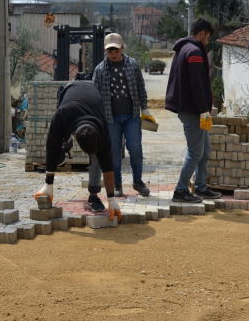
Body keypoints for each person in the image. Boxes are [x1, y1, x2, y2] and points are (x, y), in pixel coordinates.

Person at [35, 80, 121, 218]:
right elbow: (51, 147)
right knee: (58, 144)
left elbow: (107, 166)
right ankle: (65, 139)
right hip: (69, 91)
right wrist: (48, 184)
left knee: (97, 158)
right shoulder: (62, 114)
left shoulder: (103, 129)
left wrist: (111, 199)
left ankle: (93, 195)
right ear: (75, 135)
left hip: (93, 92)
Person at [165, 18, 222, 203]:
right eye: (207, 38)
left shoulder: (185, 48)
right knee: (195, 152)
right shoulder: (195, 52)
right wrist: (203, 109)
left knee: (204, 150)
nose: (207, 42)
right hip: (193, 111)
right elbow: (197, 84)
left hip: (193, 109)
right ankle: (180, 190)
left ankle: (201, 186)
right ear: (203, 34)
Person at [92, 32, 154, 197]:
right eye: (110, 51)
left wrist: (145, 107)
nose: (113, 54)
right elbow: (95, 95)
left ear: (122, 48)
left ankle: (138, 182)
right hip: (110, 118)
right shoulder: (100, 70)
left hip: (131, 116)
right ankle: (117, 185)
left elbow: (141, 87)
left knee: (135, 149)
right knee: (114, 152)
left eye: (116, 50)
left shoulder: (133, 65)